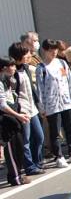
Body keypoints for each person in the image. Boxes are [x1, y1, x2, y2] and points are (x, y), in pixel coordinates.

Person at [35, 39, 71, 168]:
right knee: (55, 131)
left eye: (55, 50)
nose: (54, 53)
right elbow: (39, 89)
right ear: (45, 51)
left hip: (66, 101)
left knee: (69, 128)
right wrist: (42, 107)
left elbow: (70, 82)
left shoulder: (62, 63)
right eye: (51, 51)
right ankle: (59, 156)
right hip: (51, 103)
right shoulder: (41, 68)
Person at [8, 42, 45, 175]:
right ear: (19, 55)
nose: (29, 55)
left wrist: (38, 103)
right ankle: (29, 167)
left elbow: (31, 87)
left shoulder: (26, 67)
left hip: (32, 107)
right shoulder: (12, 71)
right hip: (22, 109)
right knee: (26, 140)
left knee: (39, 136)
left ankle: (37, 162)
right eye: (26, 53)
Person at [0, 57, 30, 186]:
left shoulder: (9, 80)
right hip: (5, 118)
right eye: (10, 66)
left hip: (13, 117)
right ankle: (15, 177)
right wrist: (18, 115)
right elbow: (2, 105)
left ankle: (18, 173)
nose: (13, 68)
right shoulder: (0, 82)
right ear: (3, 68)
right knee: (11, 149)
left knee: (18, 147)